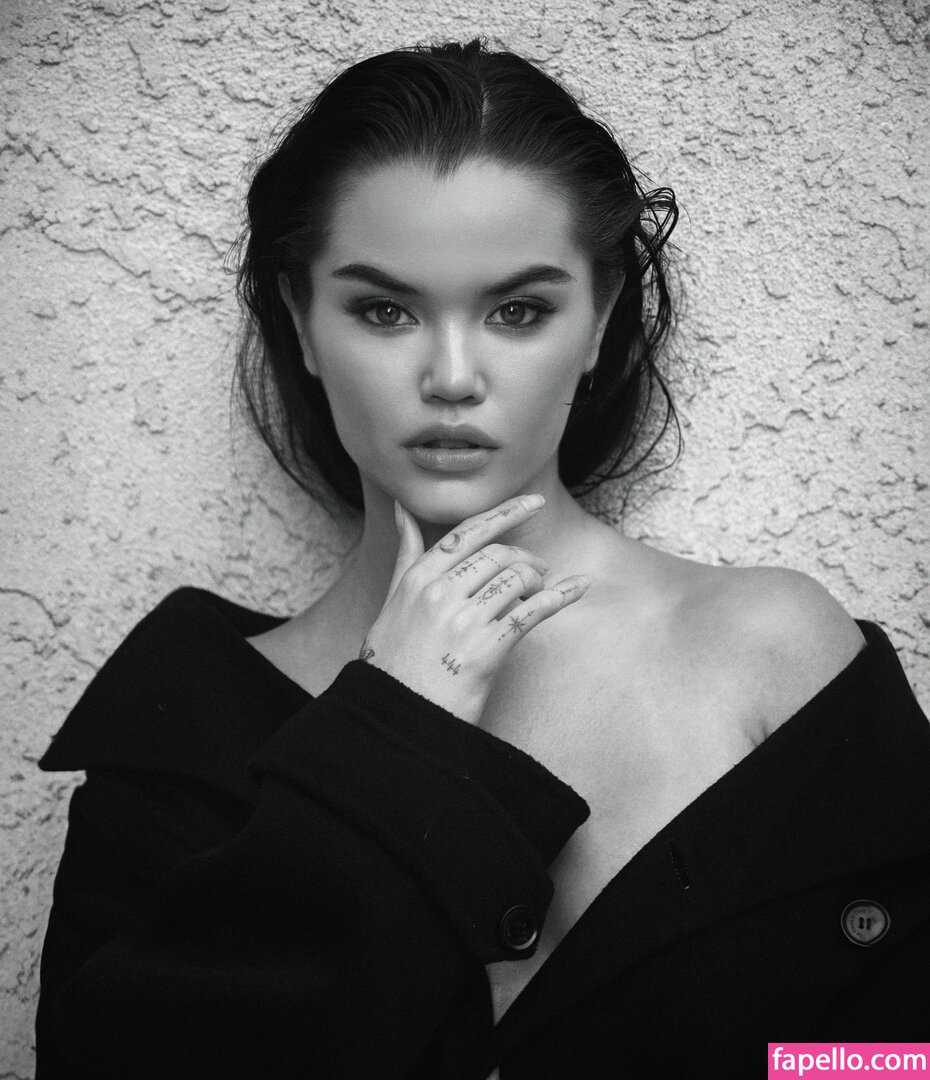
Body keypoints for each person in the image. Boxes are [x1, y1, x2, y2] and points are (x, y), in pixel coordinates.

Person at [35, 38, 929, 1079]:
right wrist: (387, 742)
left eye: (518, 311)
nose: (453, 376)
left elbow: (898, 1056)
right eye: (384, 310)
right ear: (302, 323)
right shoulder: (184, 725)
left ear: (597, 323)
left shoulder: (770, 656)